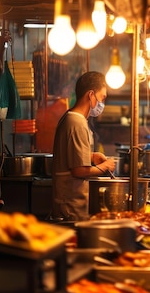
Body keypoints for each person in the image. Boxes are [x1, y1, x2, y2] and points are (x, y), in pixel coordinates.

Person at [51, 71, 117, 221]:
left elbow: (70, 157)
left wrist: (91, 157)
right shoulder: (77, 122)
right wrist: (105, 166)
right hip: (70, 206)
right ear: (90, 95)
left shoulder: (71, 118)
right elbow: (78, 170)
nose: (102, 103)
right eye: (102, 98)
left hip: (69, 203)